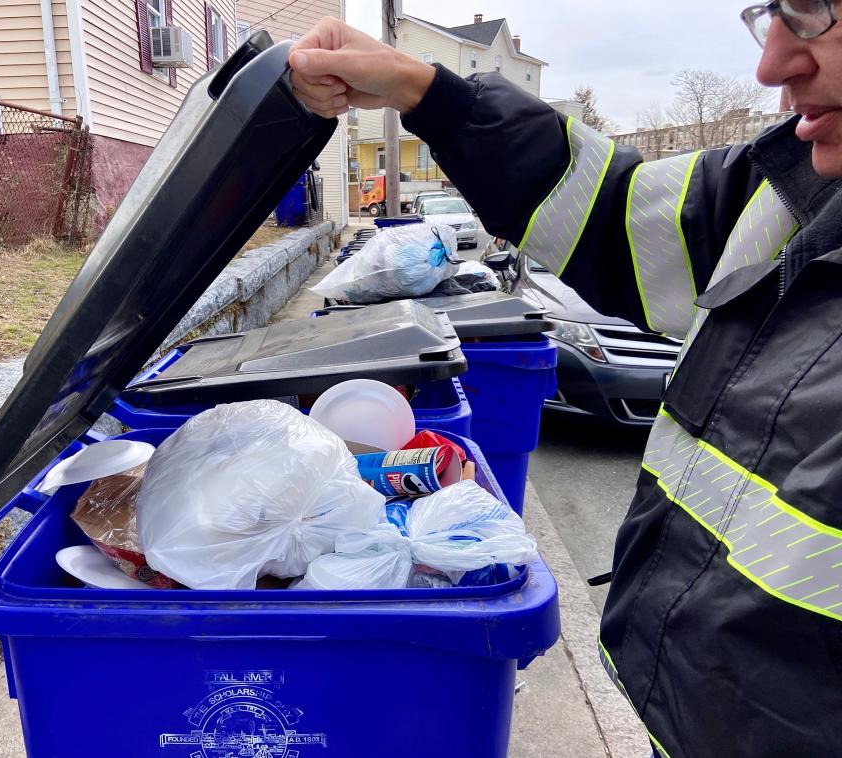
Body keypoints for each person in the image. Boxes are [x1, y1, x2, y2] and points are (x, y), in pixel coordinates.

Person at [288, 4, 842, 757]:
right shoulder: (793, 190)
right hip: (686, 720)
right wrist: (427, 92)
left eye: (819, 14)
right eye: (775, 14)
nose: (773, 65)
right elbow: (613, 212)